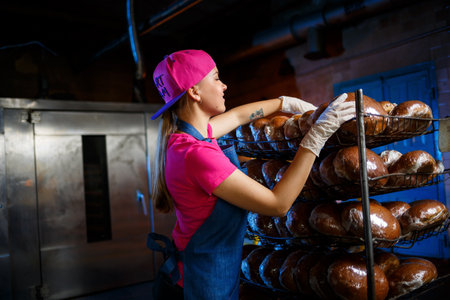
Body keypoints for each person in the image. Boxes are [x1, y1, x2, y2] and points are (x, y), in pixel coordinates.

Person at [148, 49, 355, 300]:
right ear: (194, 91)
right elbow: (278, 204)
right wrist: (316, 137)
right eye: (215, 78)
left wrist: (284, 103)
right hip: (197, 285)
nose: (223, 86)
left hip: (199, 272)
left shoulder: (186, 138)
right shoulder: (196, 154)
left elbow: (238, 116)